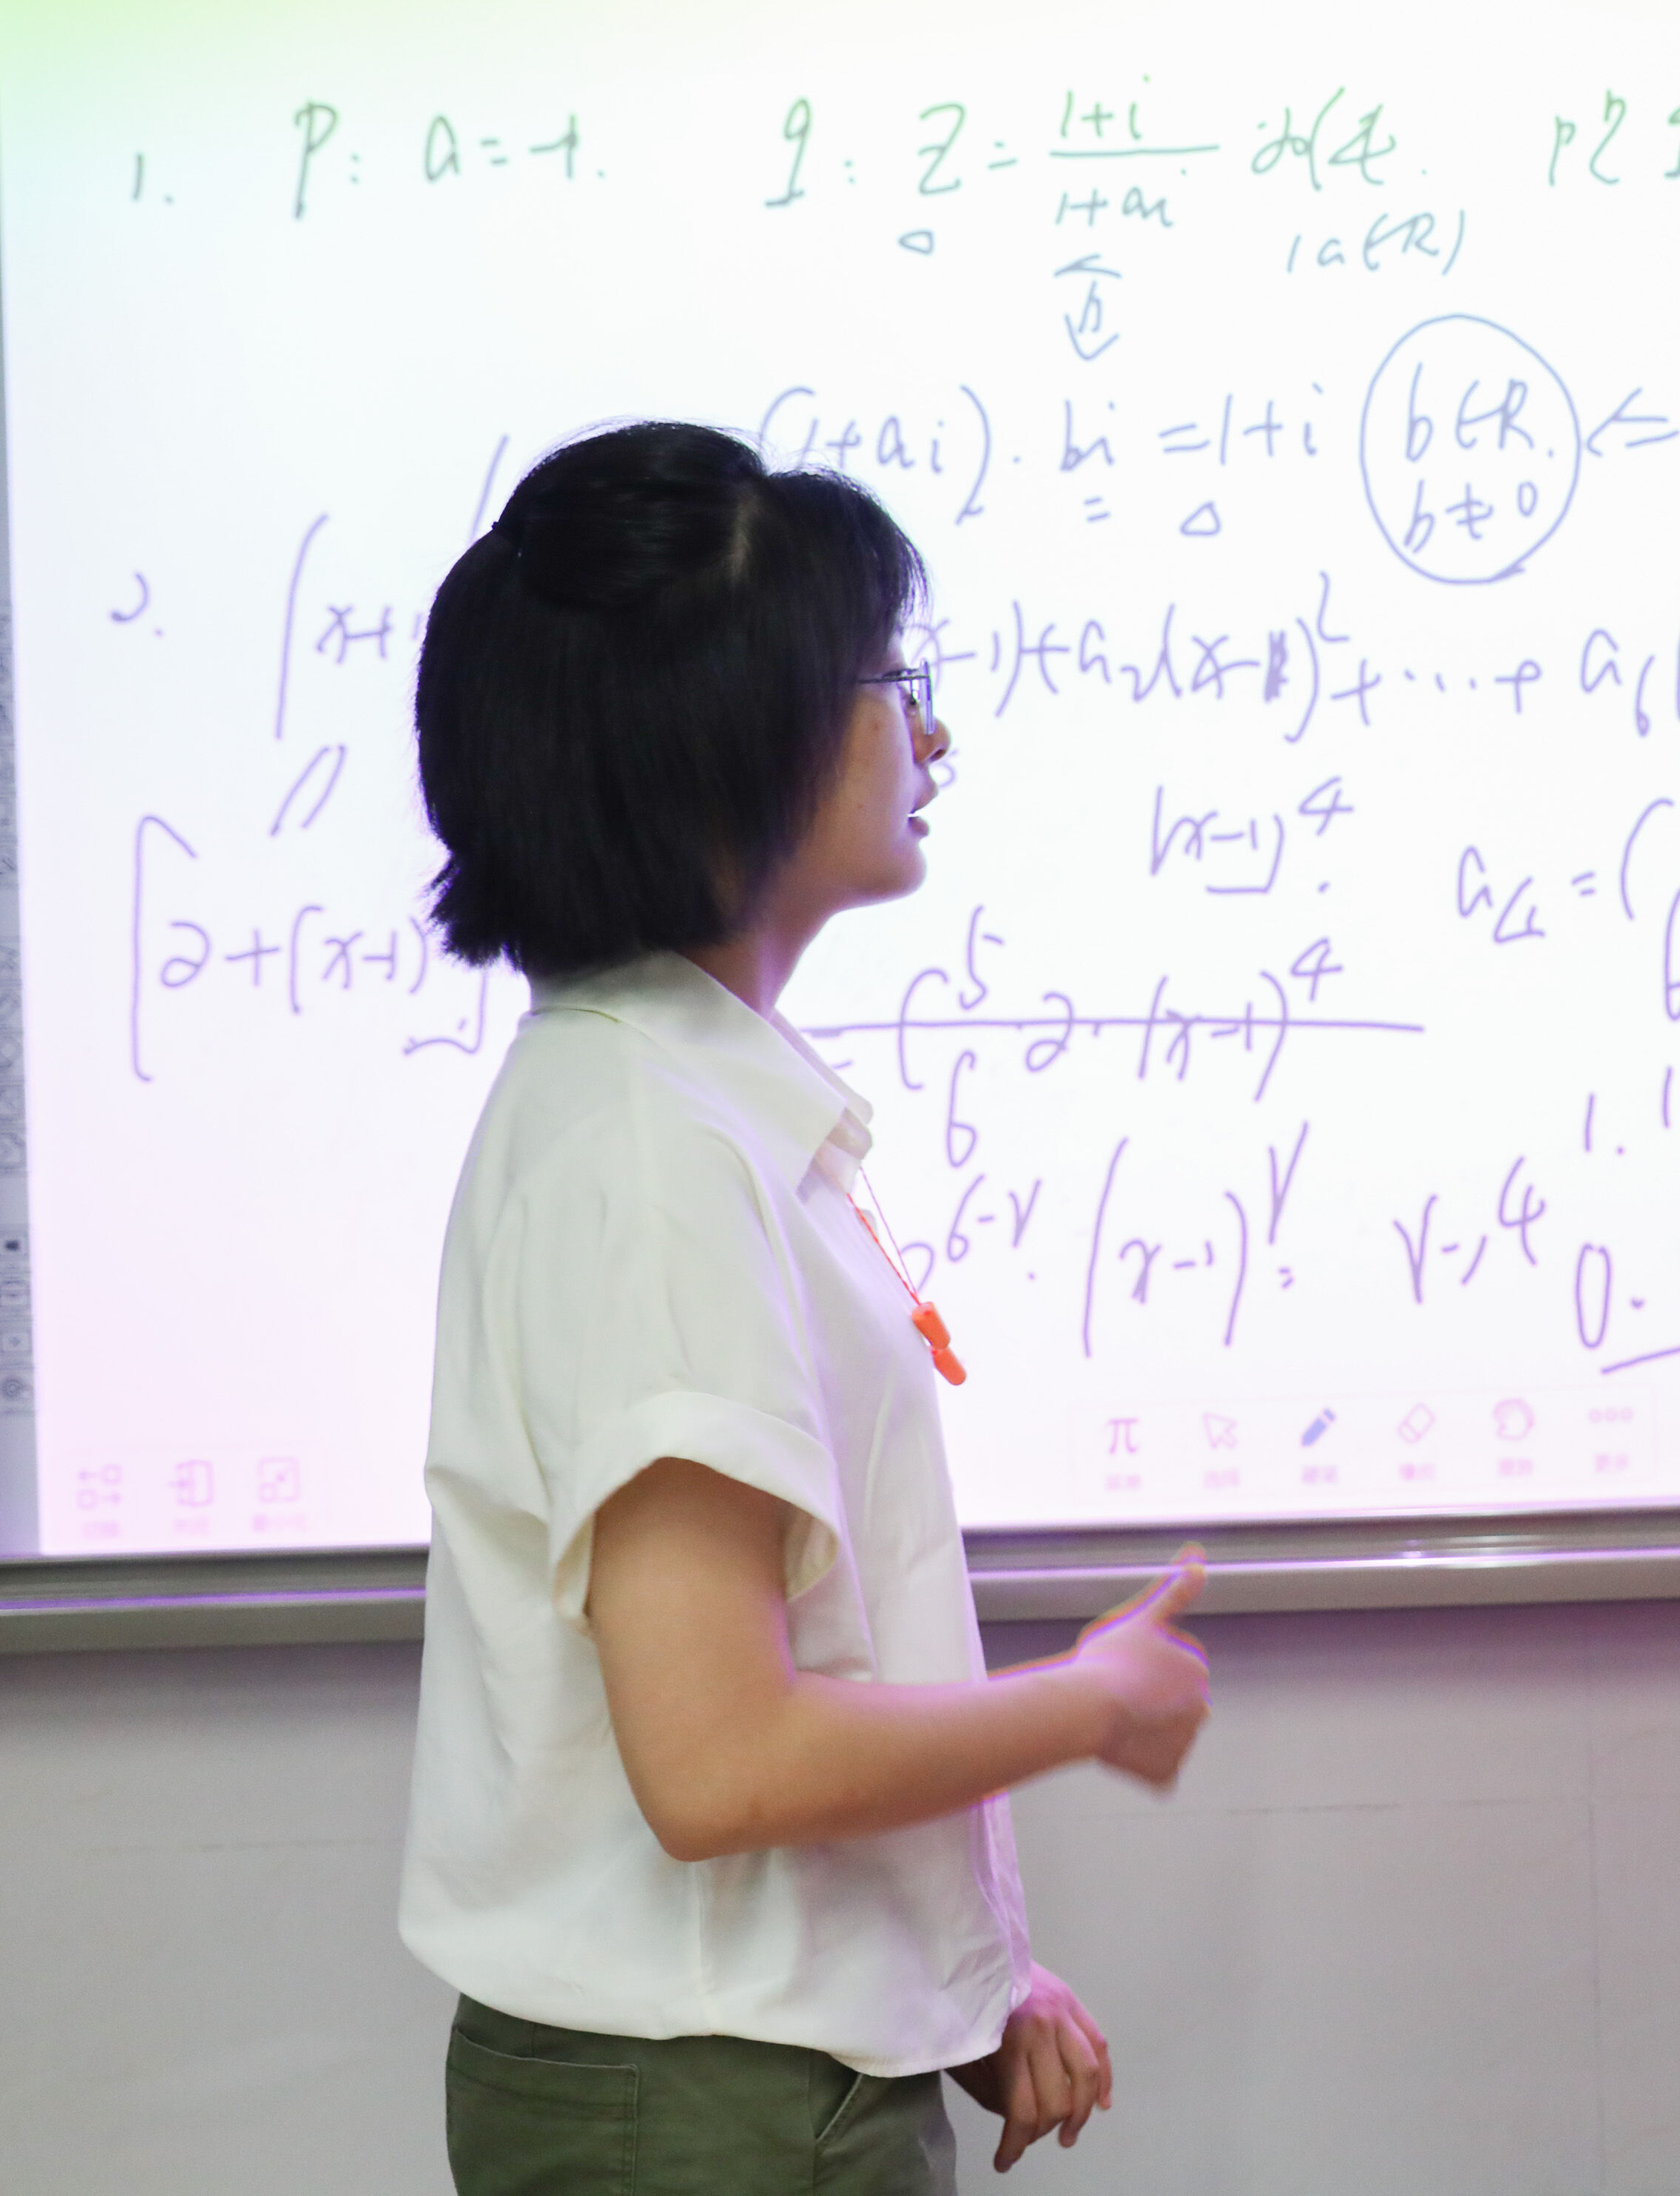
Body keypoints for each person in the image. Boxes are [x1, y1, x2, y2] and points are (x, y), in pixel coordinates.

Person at [398, 422, 1212, 2194]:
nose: (932, 737)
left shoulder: (676, 1101)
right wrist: (1090, 1701)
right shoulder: (652, 1153)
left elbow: (801, 1678)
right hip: (702, 2108)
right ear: (730, 739)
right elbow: (721, 1760)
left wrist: (962, 1980)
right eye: (888, 685)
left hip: (748, 2071)